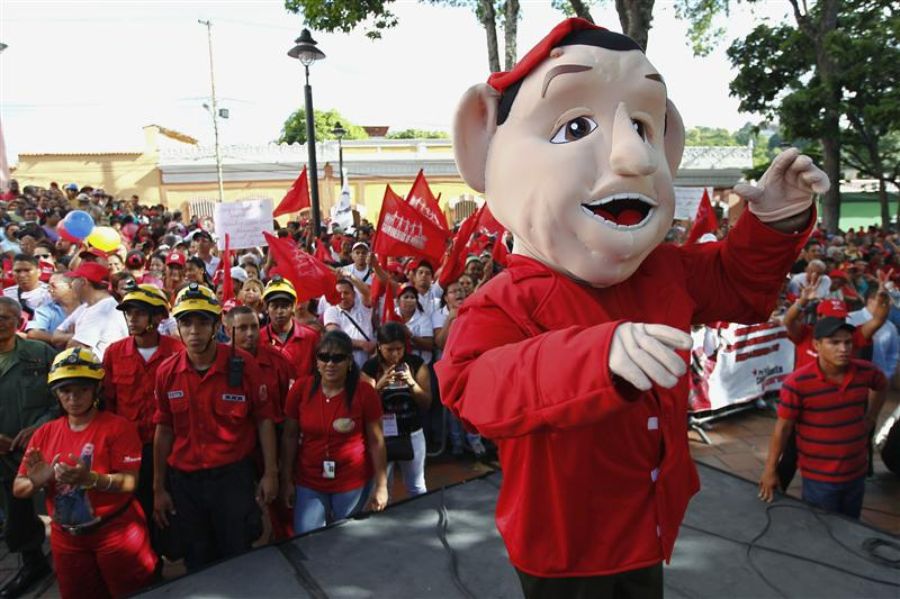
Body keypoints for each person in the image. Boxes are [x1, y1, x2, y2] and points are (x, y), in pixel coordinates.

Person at [438, 18, 827, 595]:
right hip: (565, 549)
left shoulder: (663, 269)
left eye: (644, 127)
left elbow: (740, 287)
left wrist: (773, 222)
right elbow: (472, 387)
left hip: (649, 525)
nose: (634, 158)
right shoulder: (503, 301)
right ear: (485, 144)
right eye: (575, 126)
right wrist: (594, 358)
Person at [152, 283, 278, 572]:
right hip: (186, 484)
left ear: (217, 324)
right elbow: (164, 430)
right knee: (197, 559)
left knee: (237, 555)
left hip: (232, 481)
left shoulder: (243, 365)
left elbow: (264, 420)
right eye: (186, 322)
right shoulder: (167, 372)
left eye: (202, 322)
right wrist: (158, 487)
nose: (194, 331)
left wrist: (270, 473)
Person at [13, 348, 157, 599]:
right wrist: (39, 480)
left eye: (82, 390)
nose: (73, 398)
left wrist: (91, 479)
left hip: (115, 533)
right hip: (67, 540)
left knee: (133, 592)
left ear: (96, 391)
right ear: (56, 394)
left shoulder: (117, 428)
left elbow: (130, 481)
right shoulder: (45, 433)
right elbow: (19, 488)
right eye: (65, 391)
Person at [758, 317, 888, 518]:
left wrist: (871, 417)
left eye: (848, 342)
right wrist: (770, 470)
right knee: (821, 530)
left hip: (856, 473)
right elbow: (783, 429)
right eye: (834, 342)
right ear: (816, 345)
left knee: (852, 527)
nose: (843, 348)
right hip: (819, 478)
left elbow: (881, 385)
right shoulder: (798, 383)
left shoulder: (865, 371)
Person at [280, 331, 388, 534]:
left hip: (351, 481)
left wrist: (381, 486)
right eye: (324, 357)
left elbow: (376, 441)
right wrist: (286, 480)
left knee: (347, 542)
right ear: (317, 361)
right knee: (307, 538)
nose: (330, 363)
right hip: (309, 479)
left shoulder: (365, 392)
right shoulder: (300, 389)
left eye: (338, 358)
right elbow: (289, 437)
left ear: (349, 361)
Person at [102, 283, 182, 549]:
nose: (132, 319)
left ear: (158, 317)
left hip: (169, 448)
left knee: (171, 509)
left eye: (139, 313)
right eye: (129, 313)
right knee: (137, 511)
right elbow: (109, 403)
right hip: (130, 451)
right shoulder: (114, 353)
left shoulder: (177, 351)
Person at [0, 298, 56, 599]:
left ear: (19, 321)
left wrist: (40, 426)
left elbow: (63, 395)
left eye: (8, 317)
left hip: (43, 446)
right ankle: (32, 561)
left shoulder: (40, 353)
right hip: (3, 455)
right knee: (15, 511)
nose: (2, 323)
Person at [361, 322, 431, 497]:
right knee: (384, 487)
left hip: (412, 431)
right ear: (379, 346)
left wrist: (411, 383)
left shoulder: (416, 364)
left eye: (399, 349)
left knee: (416, 485)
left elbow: (426, 402)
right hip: (381, 435)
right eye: (389, 349)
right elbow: (363, 407)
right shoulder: (370, 368)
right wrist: (379, 387)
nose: (395, 354)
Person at [59, 262, 128, 360]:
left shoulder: (103, 310)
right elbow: (55, 336)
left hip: (103, 371)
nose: (72, 284)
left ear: (83, 282)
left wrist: (72, 338)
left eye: (74, 280)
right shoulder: (88, 306)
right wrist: (74, 336)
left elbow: (74, 348)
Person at [259, 276, 319, 378]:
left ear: (293, 307)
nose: (279, 311)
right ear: (267, 309)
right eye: (274, 306)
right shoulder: (258, 338)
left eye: (284, 306)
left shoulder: (311, 337)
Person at [324, 278, 375, 369]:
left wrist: (349, 275)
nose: (342, 296)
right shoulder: (331, 311)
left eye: (346, 293)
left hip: (369, 360)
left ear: (354, 294)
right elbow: (336, 337)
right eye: (339, 293)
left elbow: (367, 292)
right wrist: (362, 345)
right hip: (344, 361)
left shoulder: (363, 307)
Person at [25, 273, 80, 346]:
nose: (49, 290)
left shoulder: (87, 306)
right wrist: (65, 338)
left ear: (70, 286)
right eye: (48, 287)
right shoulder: (45, 309)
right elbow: (33, 333)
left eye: (53, 286)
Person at [396, 284, 436, 364]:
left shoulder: (424, 318)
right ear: (398, 301)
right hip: (398, 363)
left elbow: (429, 345)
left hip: (422, 364)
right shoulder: (392, 314)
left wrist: (411, 336)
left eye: (412, 297)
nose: (409, 300)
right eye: (406, 297)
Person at [3, 254, 51, 321]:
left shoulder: (50, 293)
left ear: (39, 272)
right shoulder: (6, 294)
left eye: (27, 270)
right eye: (18, 271)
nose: (22, 275)